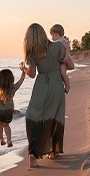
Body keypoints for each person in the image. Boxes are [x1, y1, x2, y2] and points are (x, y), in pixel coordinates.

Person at [21, 23, 75, 167]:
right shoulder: (57, 47)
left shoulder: (32, 53)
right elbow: (71, 65)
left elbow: (32, 74)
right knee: (55, 116)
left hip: (41, 85)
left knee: (32, 116)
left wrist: (23, 69)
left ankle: (33, 153)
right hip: (56, 83)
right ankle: (53, 151)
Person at [0, 66, 25, 147]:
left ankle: (1, 139)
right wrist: (23, 70)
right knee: (6, 125)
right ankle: (9, 140)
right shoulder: (13, 88)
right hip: (8, 111)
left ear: (0, 78)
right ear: (11, 79)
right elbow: (21, 80)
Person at [50, 24, 71, 93]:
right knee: (60, 73)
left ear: (57, 34)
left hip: (63, 60)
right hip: (61, 60)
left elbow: (67, 49)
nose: (51, 37)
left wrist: (66, 57)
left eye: (52, 35)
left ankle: (67, 86)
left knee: (63, 73)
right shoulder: (58, 42)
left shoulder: (62, 41)